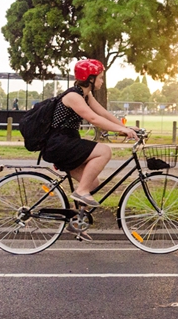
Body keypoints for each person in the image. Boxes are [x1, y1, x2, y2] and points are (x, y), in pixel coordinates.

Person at [42, 59, 137, 240]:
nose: (102, 81)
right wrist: (121, 130)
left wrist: (128, 128)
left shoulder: (86, 95)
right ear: (90, 78)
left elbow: (103, 113)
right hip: (59, 144)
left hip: (67, 143)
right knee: (104, 151)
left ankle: (77, 223)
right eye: (100, 78)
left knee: (92, 183)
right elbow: (93, 119)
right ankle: (80, 192)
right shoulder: (73, 96)